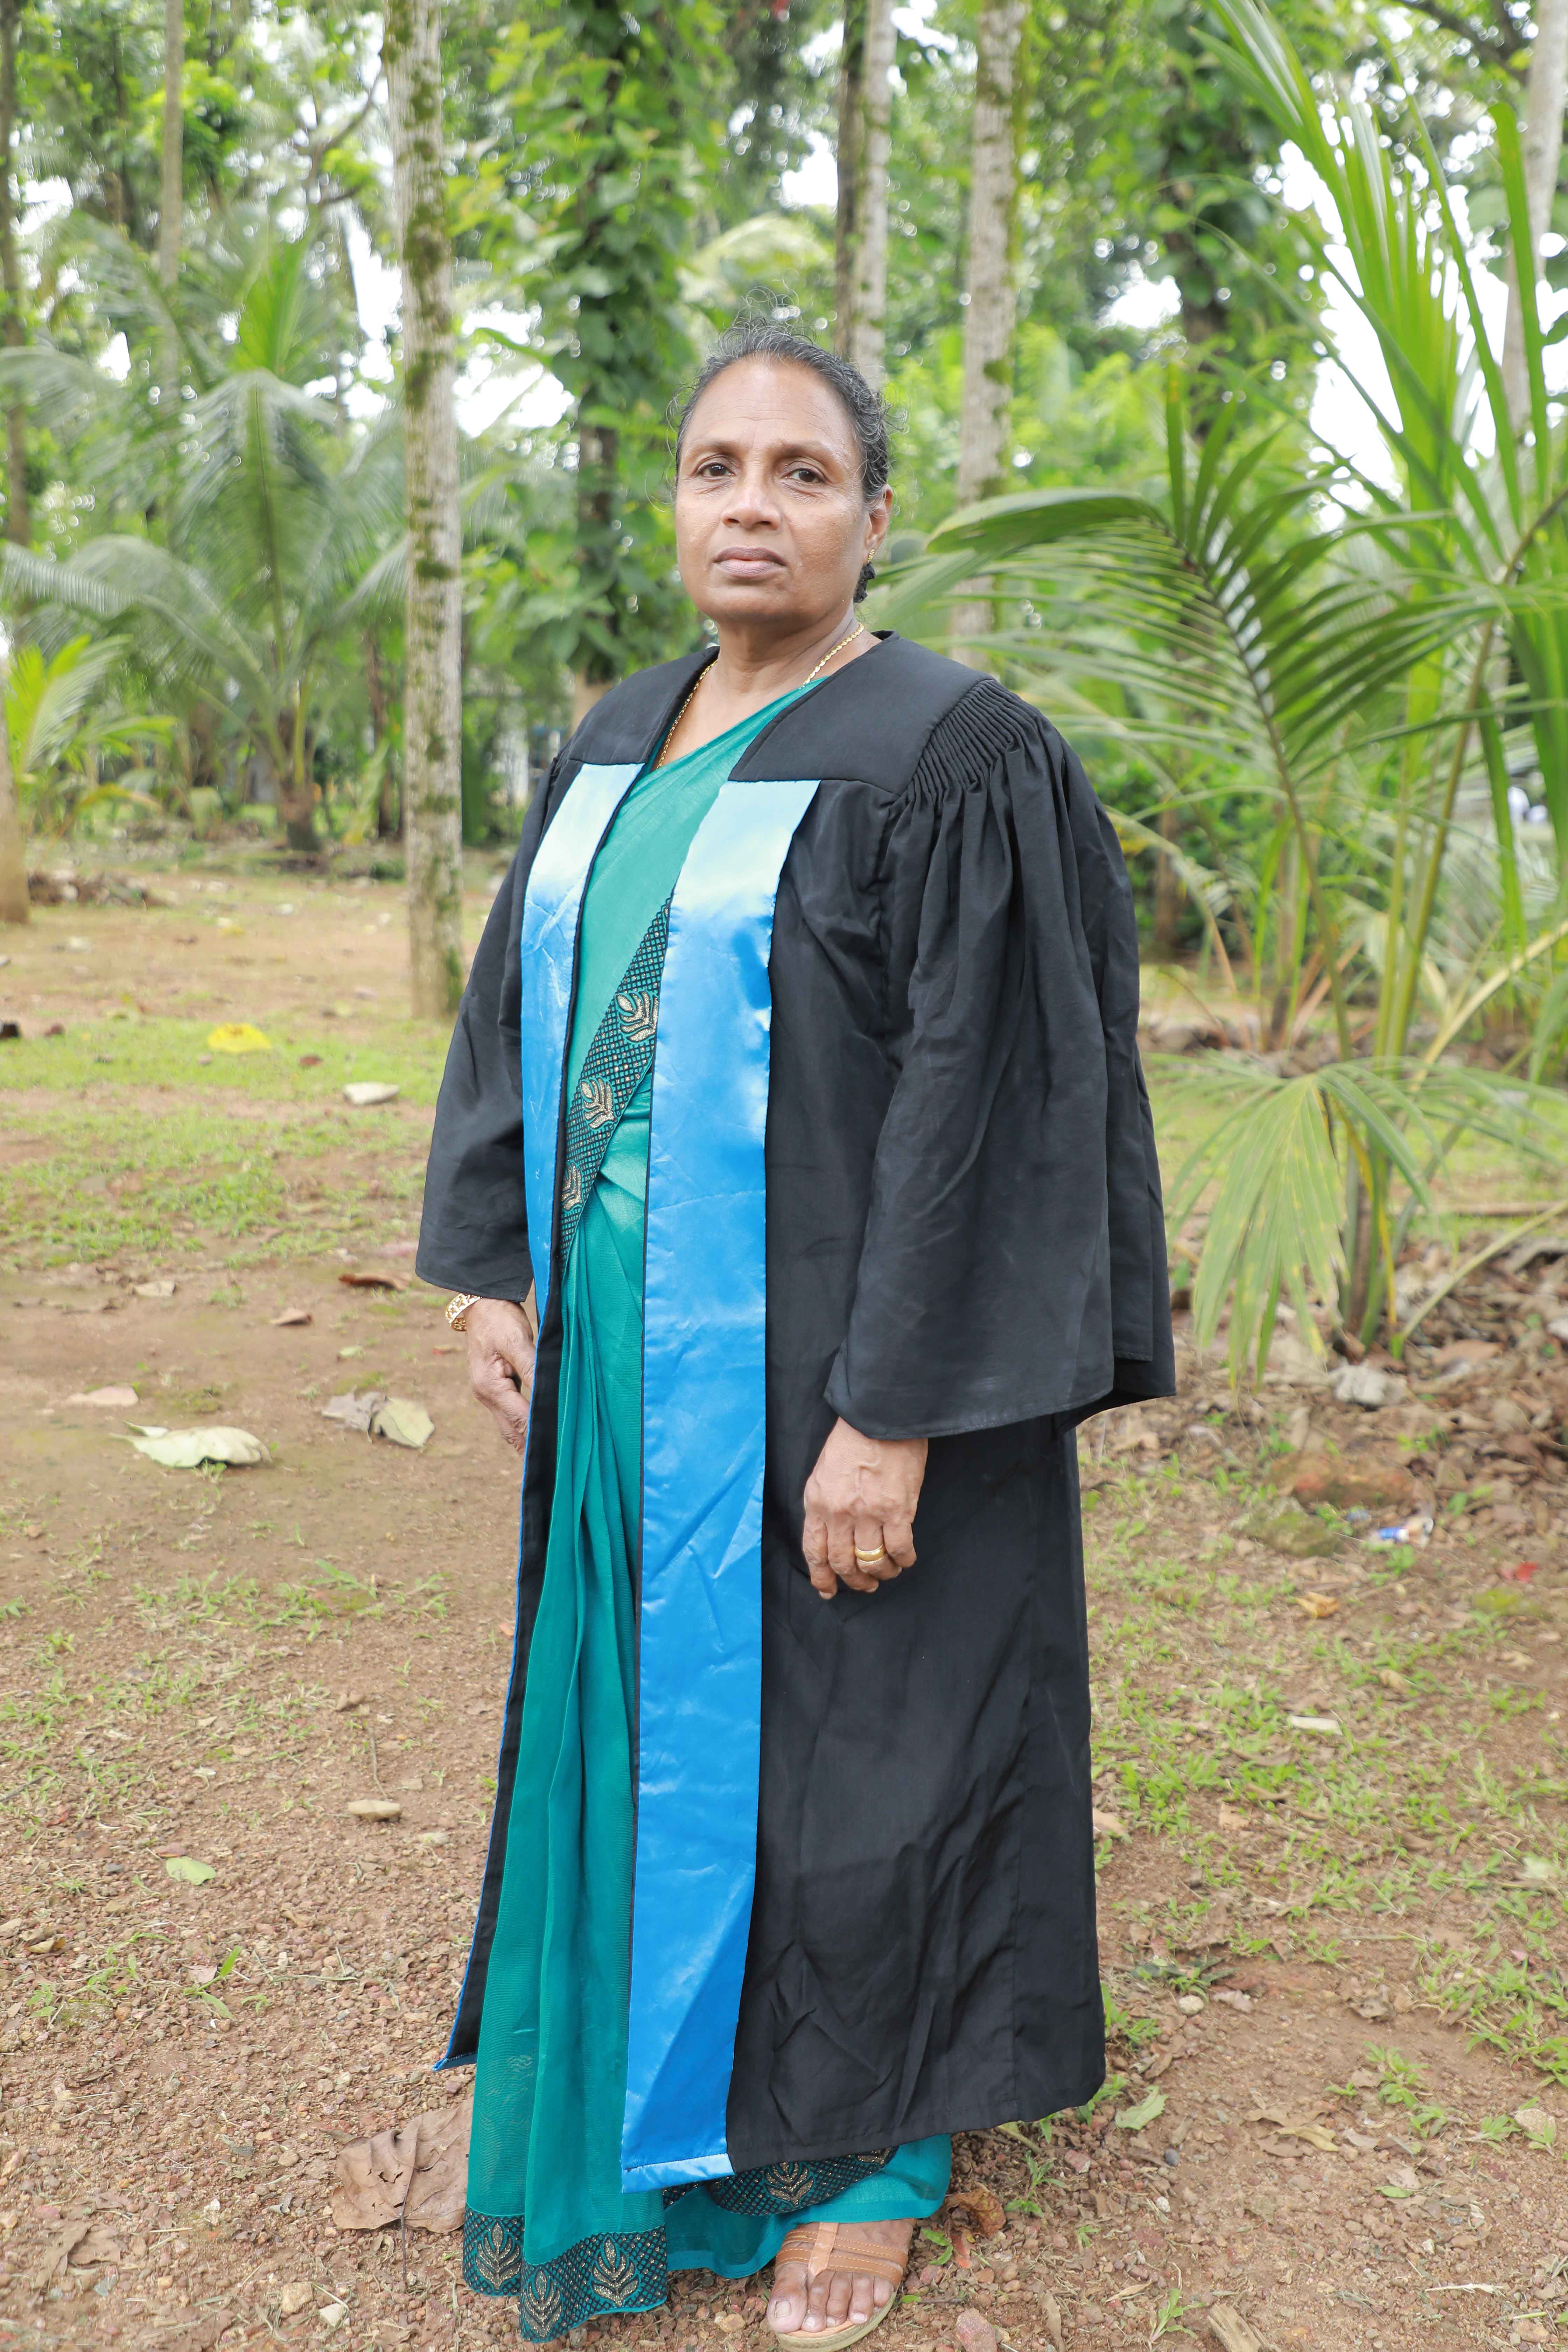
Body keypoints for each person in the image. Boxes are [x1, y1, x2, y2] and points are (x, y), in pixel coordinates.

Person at [416, 320, 1174, 2352]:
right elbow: (518, 1018)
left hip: (842, 1372)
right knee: (658, 1731)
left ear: (874, 517)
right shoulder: (613, 739)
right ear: (676, 505)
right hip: (627, 1369)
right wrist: (495, 1266)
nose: (752, 504)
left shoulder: (955, 753)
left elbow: (991, 1108)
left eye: (802, 472)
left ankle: (873, 2161)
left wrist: (896, 1414)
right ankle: (668, 2095)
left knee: (870, 1749)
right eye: (717, 467)